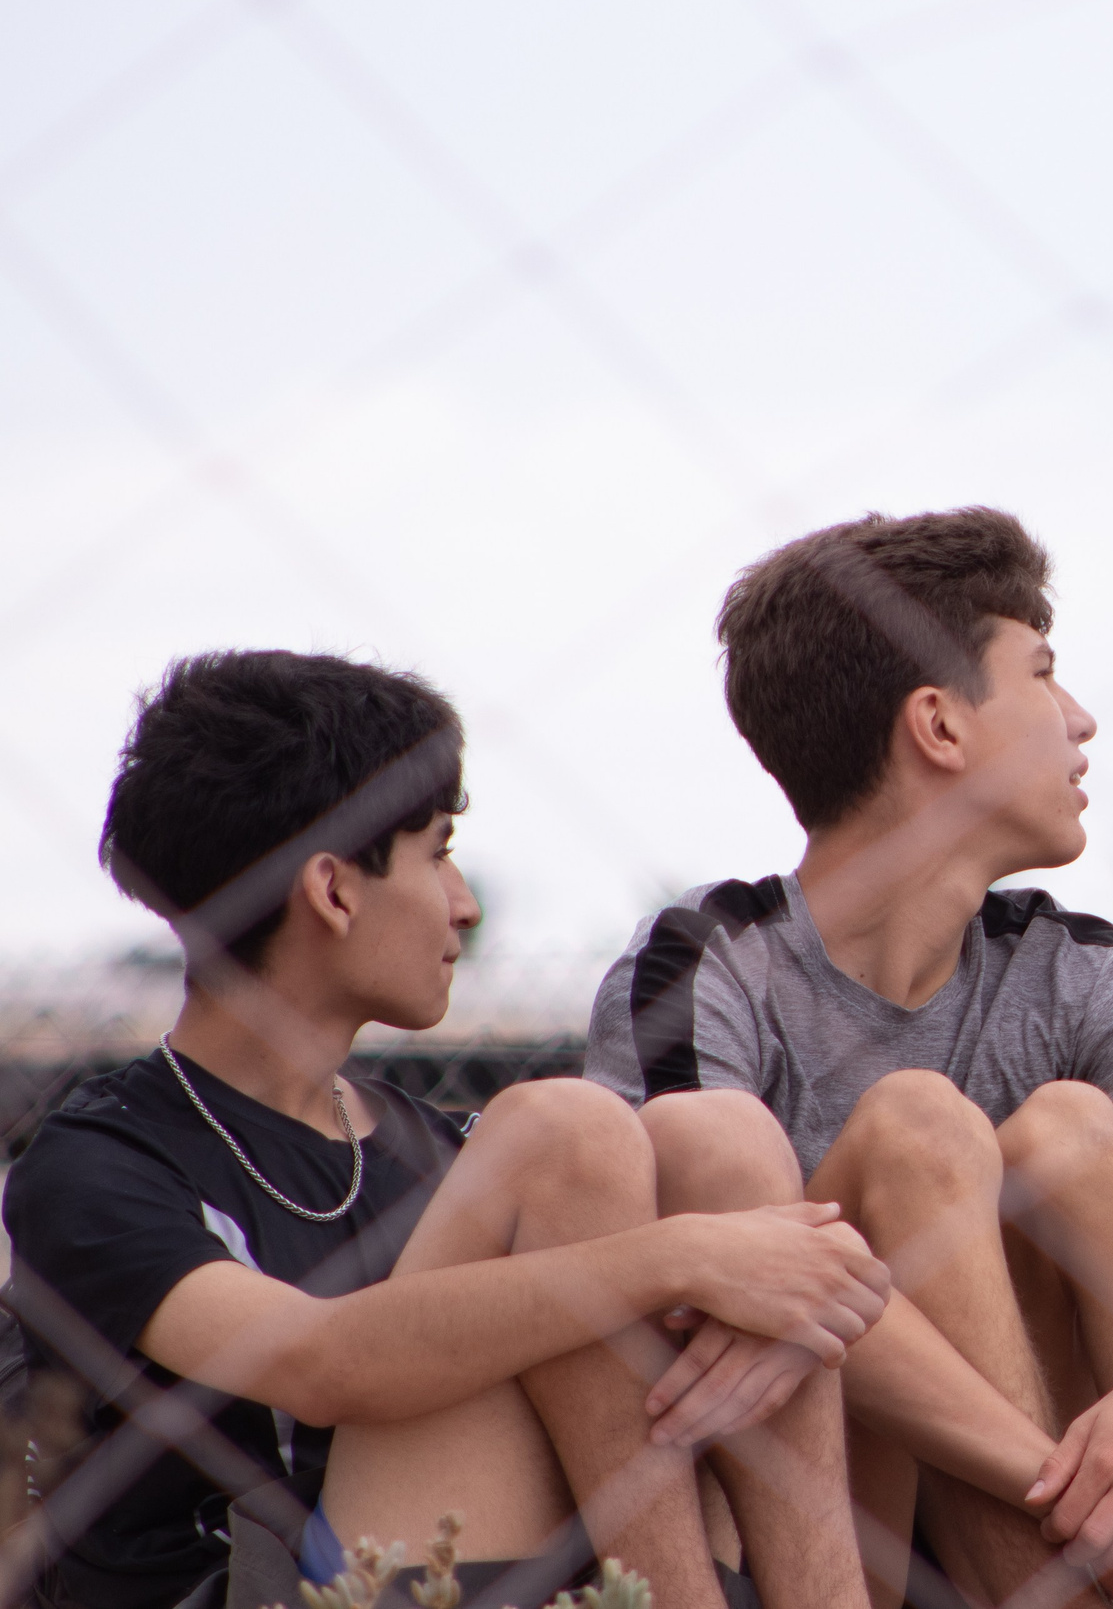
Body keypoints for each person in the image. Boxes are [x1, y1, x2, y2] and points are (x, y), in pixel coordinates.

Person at [3, 651, 886, 1609]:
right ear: (334, 891)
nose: (463, 903)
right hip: (272, 1587)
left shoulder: (440, 1146)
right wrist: (682, 1257)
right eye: (437, 851)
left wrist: (787, 1285)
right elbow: (314, 1364)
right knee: (569, 1130)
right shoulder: (102, 1159)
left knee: (725, 1139)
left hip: (503, 1557)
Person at [582, 509, 1113, 1609]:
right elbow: (723, 1292)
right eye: (1044, 675)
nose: (1083, 720)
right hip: (821, 1512)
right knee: (917, 1126)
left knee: (1076, 1135)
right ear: (939, 726)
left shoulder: (1075, 966)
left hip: (1096, 1479)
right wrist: (1078, 1482)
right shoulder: (707, 965)